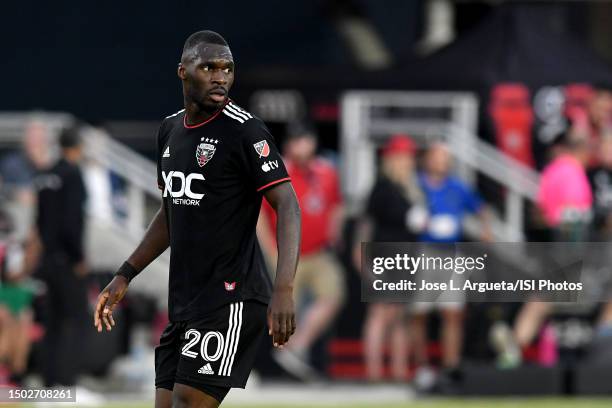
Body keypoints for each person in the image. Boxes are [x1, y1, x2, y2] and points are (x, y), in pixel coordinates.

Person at [93, 30, 301, 408]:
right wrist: (126, 273)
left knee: (187, 402)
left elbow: (287, 204)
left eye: (227, 68)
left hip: (231, 298)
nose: (220, 76)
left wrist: (284, 287)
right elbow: (171, 210)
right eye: (209, 67)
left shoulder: (246, 130)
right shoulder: (170, 130)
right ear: (183, 72)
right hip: (185, 302)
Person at [258, 124, 345, 381]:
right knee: (282, 306)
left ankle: (299, 347)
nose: (302, 147)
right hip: (286, 253)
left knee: (333, 293)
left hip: (318, 252)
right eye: (297, 142)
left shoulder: (326, 172)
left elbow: (337, 205)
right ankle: (269, 360)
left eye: (306, 141)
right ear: (288, 146)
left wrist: (333, 231)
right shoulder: (276, 171)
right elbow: (259, 215)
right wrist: (270, 249)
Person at [411, 142, 491, 390]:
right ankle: (422, 368)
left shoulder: (457, 187)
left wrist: (485, 230)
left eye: (445, 157)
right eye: (437, 156)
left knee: (452, 313)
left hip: (450, 254)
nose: (442, 162)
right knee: (419, 314)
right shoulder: (415, 185)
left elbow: (481, 208)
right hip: (422, 254)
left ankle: (450, 368)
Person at [35, 126, 97, 400]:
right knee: (76, 321)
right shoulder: (73, 175)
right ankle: (68, 387)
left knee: (52, 323)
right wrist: (79, 257)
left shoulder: (47, 175)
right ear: (78, 147)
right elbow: (72, 223)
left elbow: (40, 221)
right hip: (67, 262)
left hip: (47, 260)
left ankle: (49, 388)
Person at [358, 134, 426, 382]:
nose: (407, 162)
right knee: (380, 313)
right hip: (384, 255)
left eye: (409, 157)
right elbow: (366, 224)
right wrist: (361, 255)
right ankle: (373, 373)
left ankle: (399, 372)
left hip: (406, 256)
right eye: (403, 157)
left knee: (399, 315)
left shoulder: (411, 188)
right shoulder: (382, 186)